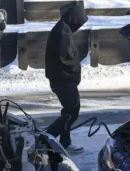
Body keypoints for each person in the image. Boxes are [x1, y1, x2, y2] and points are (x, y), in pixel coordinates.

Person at [44, 5, 88, 154]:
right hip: (63, 80)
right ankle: (48, 136)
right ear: (74, 17)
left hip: (63, 79)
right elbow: (63, 58)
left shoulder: (63, 28)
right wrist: (75, 69)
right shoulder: (62, 31)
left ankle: (65, 143)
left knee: (69, 111)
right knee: (72, 111)